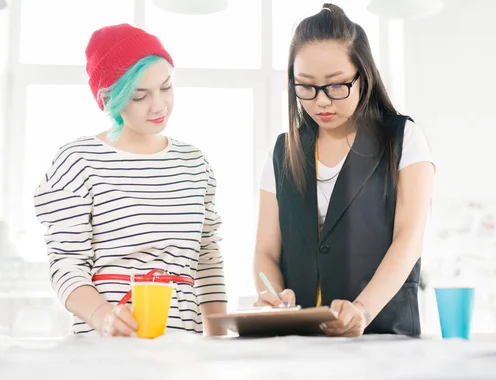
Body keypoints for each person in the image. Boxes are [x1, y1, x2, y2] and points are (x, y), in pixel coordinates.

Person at [34, 24, 227, 337]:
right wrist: (102, 315)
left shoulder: (194, 162)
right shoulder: (79, 160)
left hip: (185, 351)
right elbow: (65, 264)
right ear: (113, 98)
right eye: (140, 96)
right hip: (108, 350)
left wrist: (219, 337)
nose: (159, 105)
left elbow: (207, 258)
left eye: (166, 87)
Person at [253, 4, 435, 337]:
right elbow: (266, 252)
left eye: (336, 86)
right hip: (301, 341)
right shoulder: (282, 153)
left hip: (384, 335)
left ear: (363, 76)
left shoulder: (402, 138)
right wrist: (276, 301)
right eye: (305, 87)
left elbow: (409, 238)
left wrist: (362, 311)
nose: (321, 102)